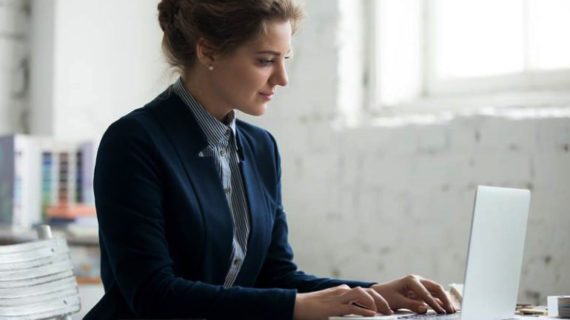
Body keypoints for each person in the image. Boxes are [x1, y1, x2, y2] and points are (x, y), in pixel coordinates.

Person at [84, 0, 456, 319]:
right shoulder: (134, 142)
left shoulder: (261, 148)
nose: (282, 78)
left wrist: (377, 293)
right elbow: (152, 296)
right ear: (208, 50)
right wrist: (296, 307)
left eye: (285, 59)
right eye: (265, 60)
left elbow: (276, 276)